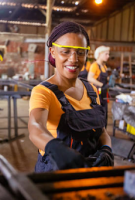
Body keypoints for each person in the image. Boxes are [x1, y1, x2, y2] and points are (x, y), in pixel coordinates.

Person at [28, 22, 114, 173]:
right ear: (53, 52)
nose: (74, 59)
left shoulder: (92, 90)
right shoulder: (44, 92)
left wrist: (106, 148)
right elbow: (35, 127)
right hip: (54, 171)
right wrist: (55, 148)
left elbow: (101, 131)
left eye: (80, 52)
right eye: (66, 51)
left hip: (89, 169)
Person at [87, 46, 110, 127]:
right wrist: (102, 85)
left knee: (104, 113)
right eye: (106, 54)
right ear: (100, 54)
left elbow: (105, 78)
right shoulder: (95, 65)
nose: (108, 56)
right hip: (97, 93)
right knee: (97, 113)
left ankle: (103, 132)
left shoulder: (104, 66)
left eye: (108, 54)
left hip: (104, 93)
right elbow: (89, 78)